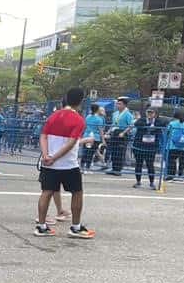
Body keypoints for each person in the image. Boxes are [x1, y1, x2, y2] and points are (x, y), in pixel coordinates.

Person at [34, 88, 95, 238]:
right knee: (77, 193)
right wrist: (54, 157)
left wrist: (47, 155)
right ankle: (75, 227)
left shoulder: (53, 116)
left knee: (46, 192)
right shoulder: (79, 120)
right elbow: (71, 143)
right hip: (68, 164)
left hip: (49, 163)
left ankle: (41, 226)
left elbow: (43, 136)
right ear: (81, 101)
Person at [131, 106, 166, 189]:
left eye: (151, 112)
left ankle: (152, 183)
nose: (149, 114)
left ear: (155, 114)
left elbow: (164, 124)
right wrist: (148, 125)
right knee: (138, 164)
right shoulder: (142, 120)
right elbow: (136, 124)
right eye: (148, 112)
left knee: (150, 165)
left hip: (151, 148)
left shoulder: (158, 121)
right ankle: (138, 182)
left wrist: (154, 125)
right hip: (139, 146)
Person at [105, 97, 133, 175]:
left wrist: (124, 133)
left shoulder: (128, 114)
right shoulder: (115, 113)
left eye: (120, 104)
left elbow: (131, 125)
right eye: (117, 103)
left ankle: (118, 169)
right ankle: (114, 168)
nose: (118, 105)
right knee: (114, 151)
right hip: (115, 132)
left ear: (124, 105)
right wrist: (108, 132)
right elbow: (113, 124)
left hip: (122, 134)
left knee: (120, 152)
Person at [165, 110, 184, 180]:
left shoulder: (172, 123)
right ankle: (180, 174)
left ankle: (171, 174)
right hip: (182, 146)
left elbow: (167, 132)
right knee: (181, 161)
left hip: (172, 145)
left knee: (171, 160)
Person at [81, 104, 106, 171]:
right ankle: (87, 168)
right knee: (91, 153)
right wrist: (103, 140)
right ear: (97, 110)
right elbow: (101, 131)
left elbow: (85, 126)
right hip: (95, 138)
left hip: (86, 136)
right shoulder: (99, 119)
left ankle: (82, 167)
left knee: (85, 152)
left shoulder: (88, 117)